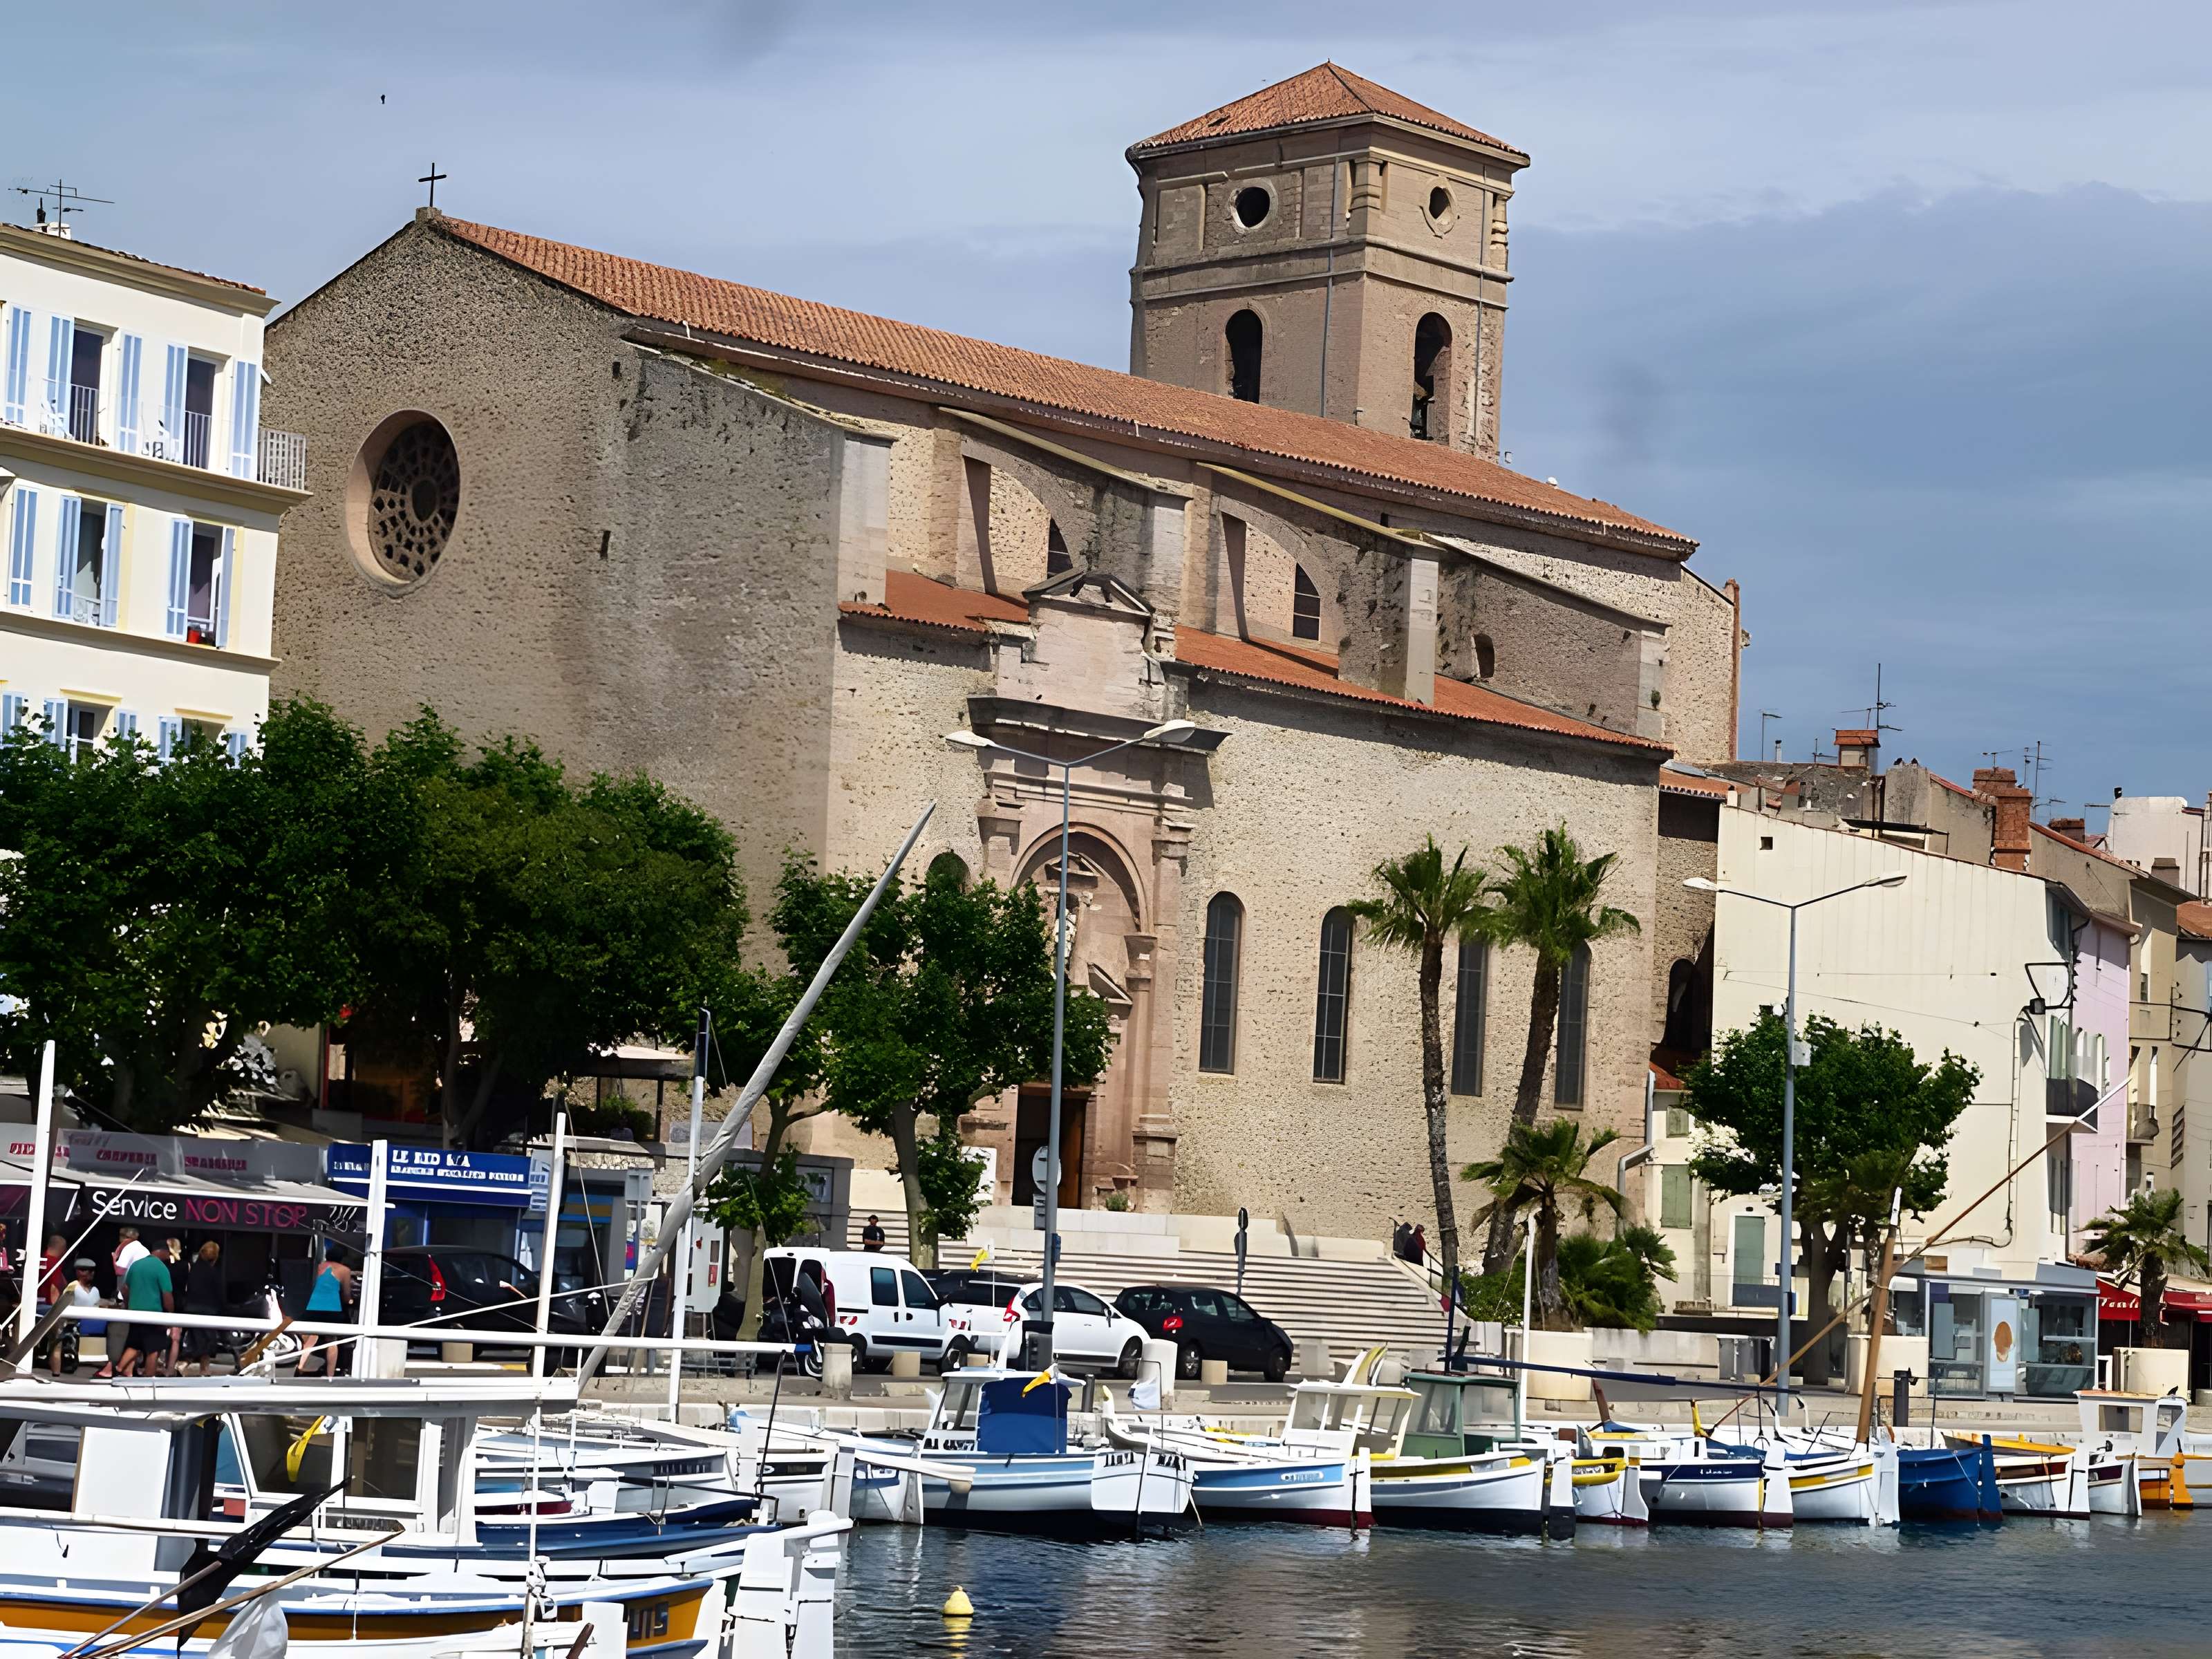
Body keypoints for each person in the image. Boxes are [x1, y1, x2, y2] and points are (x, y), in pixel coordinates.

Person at [111, 1245, 174, 1378]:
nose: (169, 1258)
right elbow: (167, 1295)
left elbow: (125, 1289)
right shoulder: (161, 1268)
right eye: (169, 1255)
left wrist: (128, 1305)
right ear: (164, 1253)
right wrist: (170, 1314)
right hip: (154, 1314)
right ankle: (149, 1379)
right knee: (154, 1349)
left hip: (135, 1312)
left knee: (135, 1344)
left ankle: (119, 1368)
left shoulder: (136, 1266)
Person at [296, 1246, 355, 1378]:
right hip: (332, 1308)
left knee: (311, 1339)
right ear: (341, 1258)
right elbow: (346, 1295)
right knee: (332, 1340)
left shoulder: (319, 1267)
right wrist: (350, 1301)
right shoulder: (344, 1270)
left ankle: (300, 1366)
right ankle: (330, 1375)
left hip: (314, 1305)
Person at [181, 1241, 226, 1376]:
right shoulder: (214, 1273)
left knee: (194, 1341)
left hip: (191, 1309)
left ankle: (186, 1365)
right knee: (207, 1342)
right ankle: (203, 1369)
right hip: (208, 1311)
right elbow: (220, 1294)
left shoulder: (193, 1269)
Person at [49, 1260, 101, 1376]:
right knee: (57, 1342)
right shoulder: (73, 1287)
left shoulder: (95, 1290)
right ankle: (56, 1373)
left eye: (92, 1271)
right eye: (85, 1270)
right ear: (78, 1272)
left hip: (89, 1326)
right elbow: (61, 1304)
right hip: (71, 1324)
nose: (90, 1274)